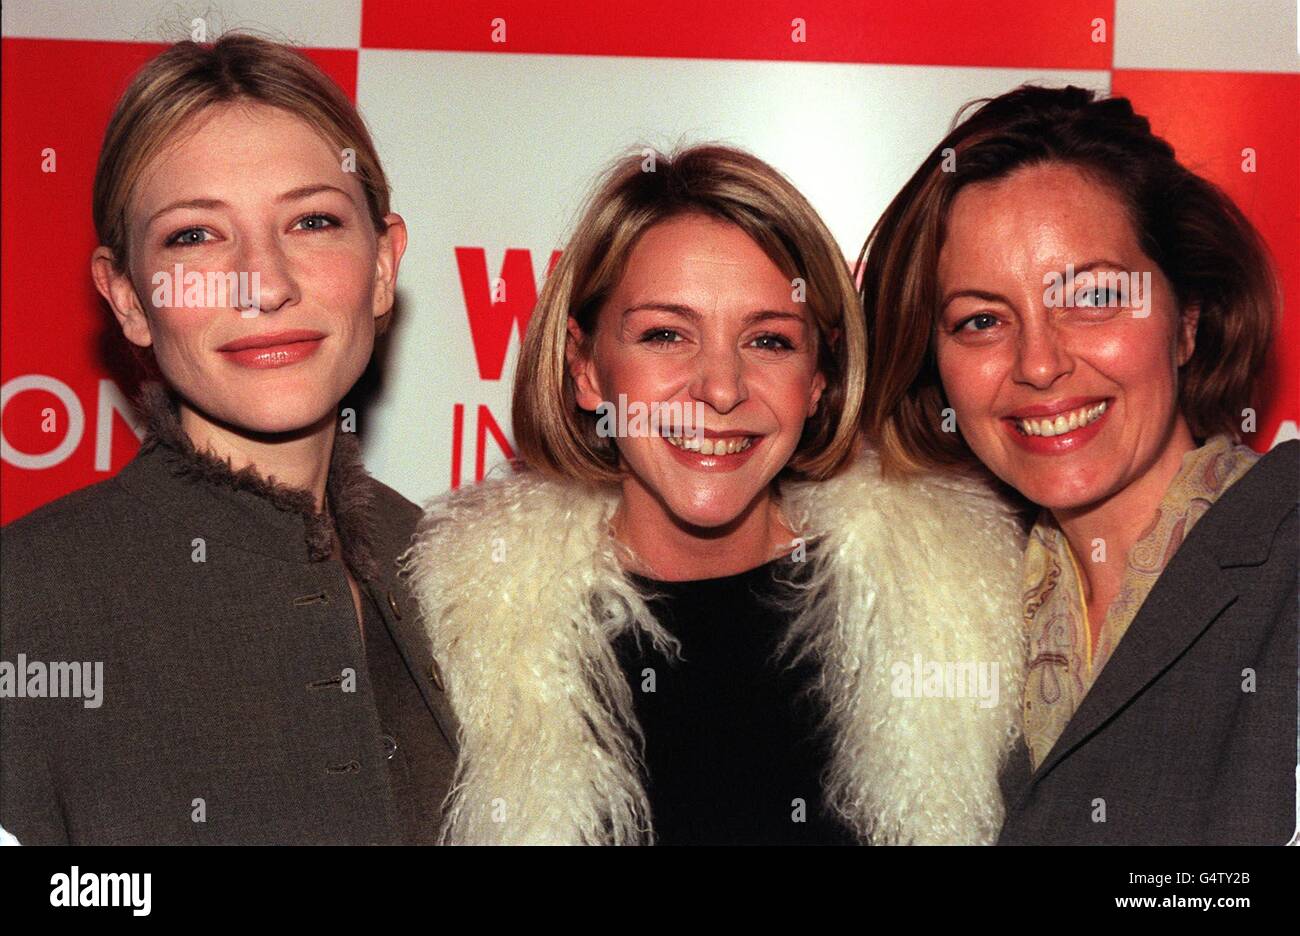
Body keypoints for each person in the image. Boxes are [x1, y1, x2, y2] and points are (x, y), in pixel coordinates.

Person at [400, 144, 1027, 845]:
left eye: (769, 341)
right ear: (585, 370)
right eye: (666, 334)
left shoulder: (960, 607)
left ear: (819, 381)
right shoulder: (459, 635)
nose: (721, 389)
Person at [0, 33, 456, 844]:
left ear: (384, 265)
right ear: (128, 297)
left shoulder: (459, 580)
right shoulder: (26, 601)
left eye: (313, 221)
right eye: (195, 236)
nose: (266, 284)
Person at [858, 84, 1297, 844]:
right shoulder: (932, 622)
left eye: (1093, 296)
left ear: (1187, 319)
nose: (1038, 363)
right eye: (981, 320)